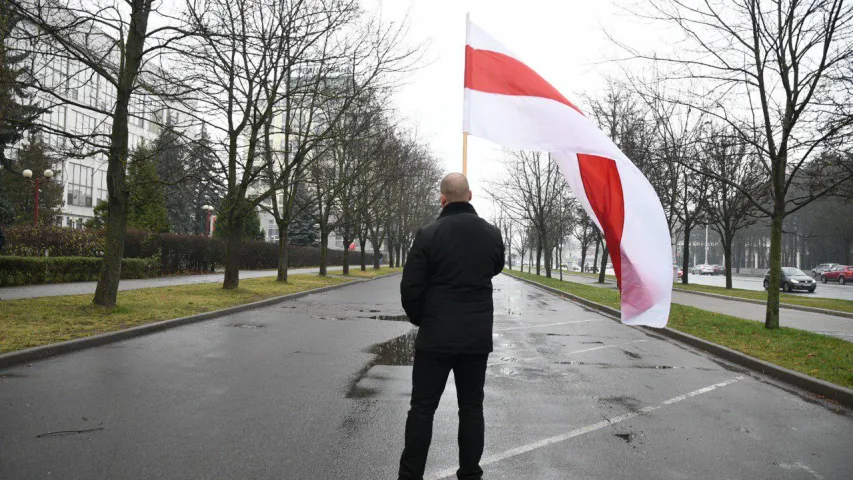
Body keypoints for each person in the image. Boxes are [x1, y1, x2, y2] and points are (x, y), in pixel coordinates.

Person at [398, 173, 505, 480]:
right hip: (475, 340)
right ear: (469, 195)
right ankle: (470, 474)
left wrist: (423, 319)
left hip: (435, 338)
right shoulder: (491, 233)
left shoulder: (428, 234)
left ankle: (409, 476)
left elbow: (411, 287)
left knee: (422, 409)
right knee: (471, 409)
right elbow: (495, 266)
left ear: (442, 199)